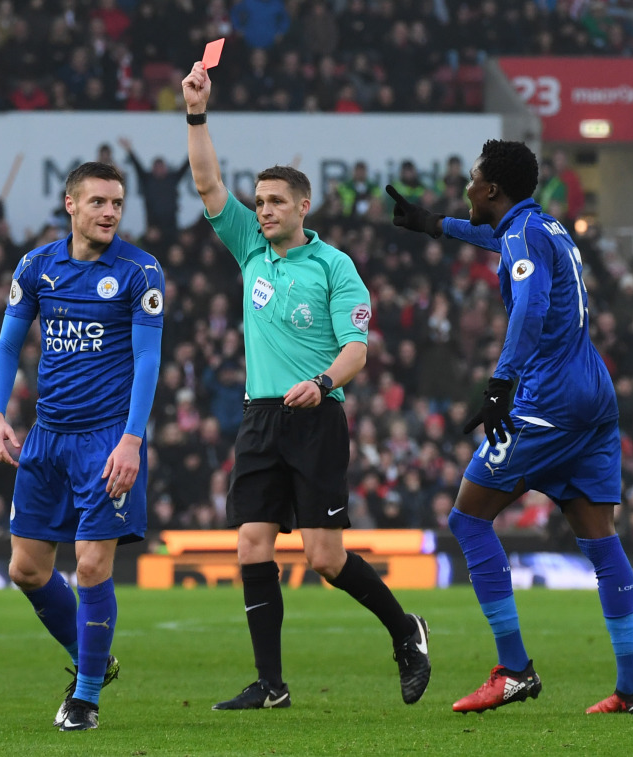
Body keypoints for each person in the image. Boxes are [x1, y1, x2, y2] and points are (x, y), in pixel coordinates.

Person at [181, 60, 431, 711]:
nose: (262, 210)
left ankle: (407, 631)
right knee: (250, 543)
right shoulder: (248, 249)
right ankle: (270, 685)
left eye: (274, 202)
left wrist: (321, 383)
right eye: (258, 201)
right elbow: (206, 182)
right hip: (260, 416)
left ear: (303, 206)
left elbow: (358, 350)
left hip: (319, 415)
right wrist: (196, 113)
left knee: (324, 557)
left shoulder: (335, 266)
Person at [387, 139, 633, 715]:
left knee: (468, 517)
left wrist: (498, 386)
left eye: (473, 180)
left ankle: (514, 670)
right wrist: (437, 226)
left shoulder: (524, 235)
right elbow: (495, 238)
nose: (466, 187)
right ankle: (632, 690)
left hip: (548, 401)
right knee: (600, 539)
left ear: (491, 189)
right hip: (593, 396)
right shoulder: (544, 227)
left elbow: (530, 308)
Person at [0, 161, 164, 731]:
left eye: (116, 203)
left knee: (91, 565)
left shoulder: (141, 271)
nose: (110, 212)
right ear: (71, 204)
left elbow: (147, 359)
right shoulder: (38, 267)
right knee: (27, 569)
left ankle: (85, 696)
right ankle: (94, 658)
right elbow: (6, 347)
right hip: (46, 438)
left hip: (107, 440)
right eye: (98, 202)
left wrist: (133, 441)